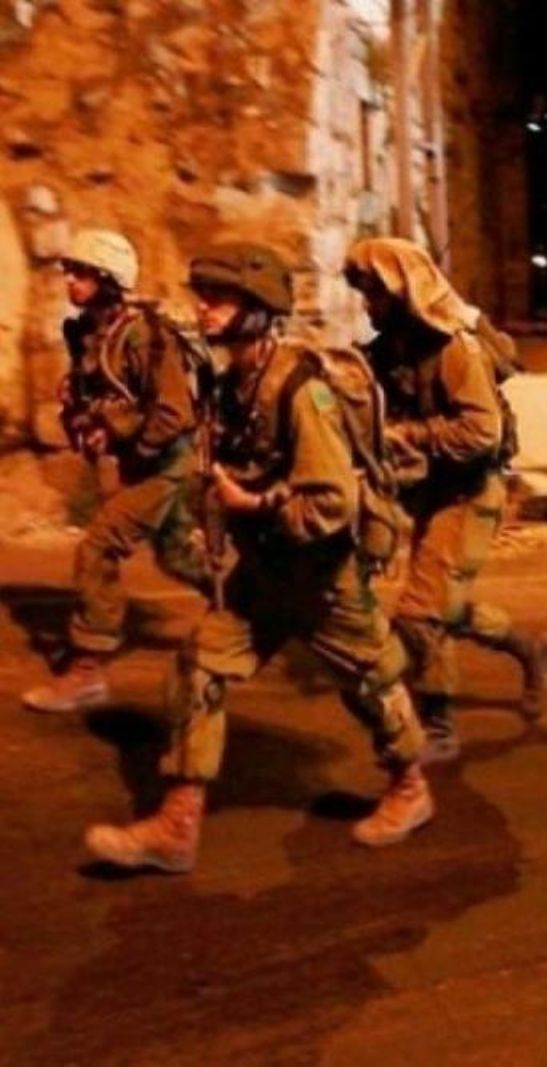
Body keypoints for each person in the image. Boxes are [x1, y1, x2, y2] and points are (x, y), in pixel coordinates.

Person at [84, 243, 433, 873]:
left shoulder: (300, 389)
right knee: (199, 666)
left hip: (322, 577)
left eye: (220, 298)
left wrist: (254, 504)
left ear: (260, 308)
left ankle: (410, 786)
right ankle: (178, 823)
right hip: (265, 575)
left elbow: (330, 502)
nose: (204, 308)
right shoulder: (231, 385)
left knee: (371, 683)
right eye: (204, 296)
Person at [343, 238, 547, 763]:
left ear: (404, 291)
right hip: (433, 489)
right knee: (444, 604)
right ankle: (530, 647)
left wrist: (411, 435)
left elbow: (481, 433)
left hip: (471, 492)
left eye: (376, 292)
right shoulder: (395, 345)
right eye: (364, 291)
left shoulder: (453, 348)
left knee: (422, 612)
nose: (368, 303)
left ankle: (438, 724)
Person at [23, 229, 209, 713]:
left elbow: (175, 413)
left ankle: (87, 669)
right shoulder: (89, 333)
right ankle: (250, 604)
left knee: (99, 547)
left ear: (108, 279)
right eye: (70, 271)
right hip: (144, 458)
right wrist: (83, 417)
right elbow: (98, 395)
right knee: (177, 553)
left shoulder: (145, 335)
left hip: (163, 460)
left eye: (82, 273)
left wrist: (135, 450)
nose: (71, 281)